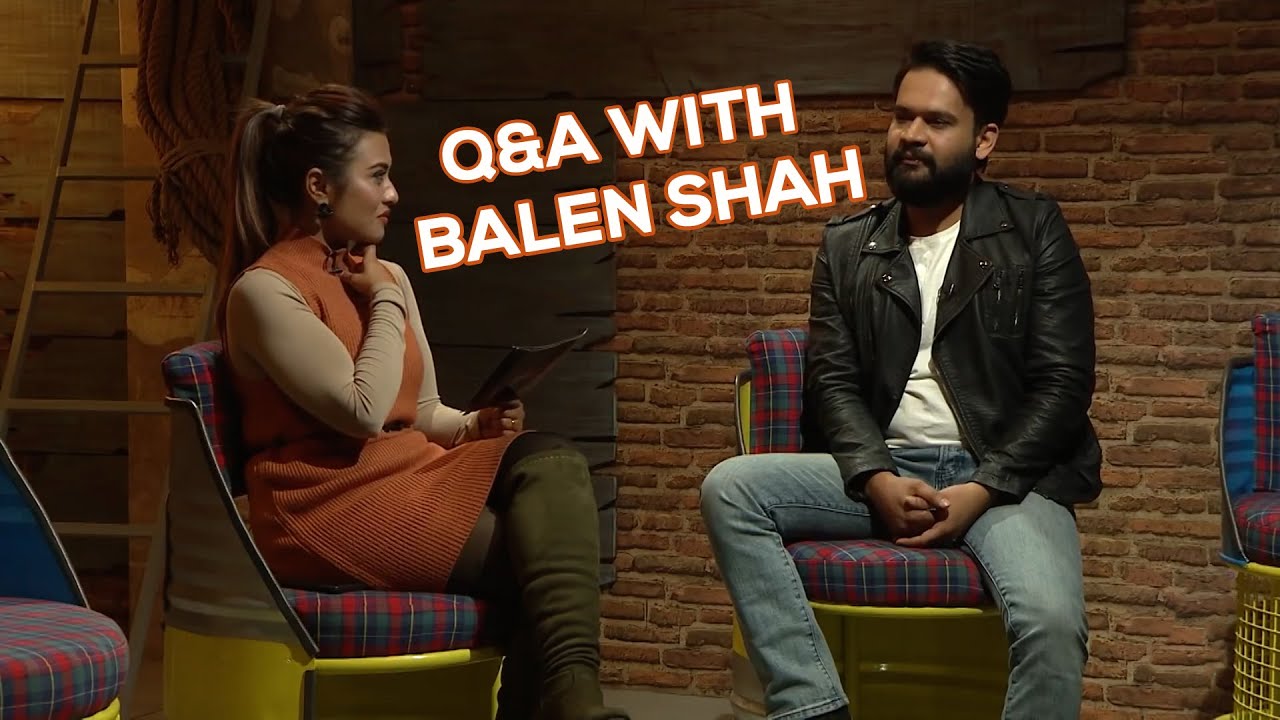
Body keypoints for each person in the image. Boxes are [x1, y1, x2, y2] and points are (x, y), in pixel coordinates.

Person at [700, 40, 1101, 720]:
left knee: (1052, 623)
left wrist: (983, 487)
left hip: (1004, 480)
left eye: (936, 121)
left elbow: (1064, 384)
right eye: (901, 116)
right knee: (730, 488)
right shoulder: (847, 244)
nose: (911, 134)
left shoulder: (1033, 229)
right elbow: (832, 381)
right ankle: (812, 706)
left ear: (984, 139)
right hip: (884, 468)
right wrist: (875, 477)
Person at [215, 83, 628, 720]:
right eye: (378, 176)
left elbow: (425, 411)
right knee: (540, 559)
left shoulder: (386, 275)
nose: (393, 194)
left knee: (550, 457)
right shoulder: (265, 291)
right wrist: (383, 297)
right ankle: (576, 708)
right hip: (324, 507)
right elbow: (361, 411)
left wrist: (474, 426)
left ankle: (577, 706)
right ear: (319, 186)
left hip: (406, 480)